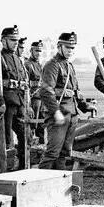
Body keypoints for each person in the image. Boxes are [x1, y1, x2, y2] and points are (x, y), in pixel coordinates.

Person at [38, 32, 96, 170]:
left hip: (71, 114)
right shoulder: (52, 65)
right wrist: (56, 112)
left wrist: (85, 106)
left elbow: (75, 91)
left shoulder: (69, 65)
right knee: (52, 153)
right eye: (67, 47)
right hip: (59, 115)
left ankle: (59, 180)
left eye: (72, 48)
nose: (70, 51)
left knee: (64, 153)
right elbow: (46, 91)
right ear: (59, 47)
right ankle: (39, 181)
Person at [0, 25, 31, 172]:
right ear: (4, 41)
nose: (16, 43)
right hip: (6, 104)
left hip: (20, 104)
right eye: (12, 40)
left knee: (26, 135)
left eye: (17, 40)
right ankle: (1, 166)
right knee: (5, 137)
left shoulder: (18, 60)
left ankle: (23, 166)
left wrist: (28, 105)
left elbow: (25, 84)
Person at [24, 40, 46, 145]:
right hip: (33, 99)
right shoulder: (27, 65)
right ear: (31, 51)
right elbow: (25, 86)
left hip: (42, 99)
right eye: (36, 50)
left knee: (41, 126)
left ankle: (41, 148)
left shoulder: (40, 65)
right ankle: (30, 149)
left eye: (40, 51)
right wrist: (28, 105)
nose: (38, 53)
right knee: (32, 126)